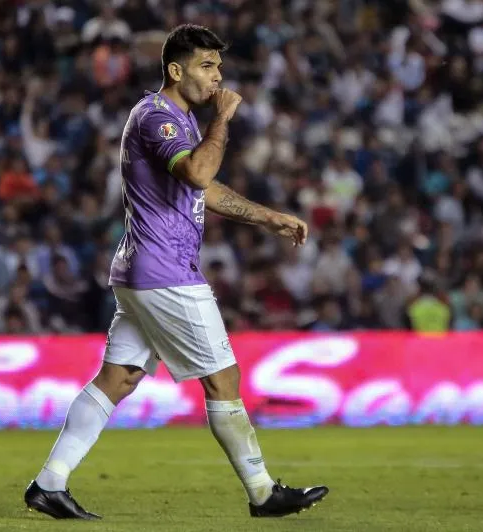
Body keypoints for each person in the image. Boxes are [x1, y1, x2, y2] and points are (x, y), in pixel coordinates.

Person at [24, 24, 328, 520]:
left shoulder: (179, 124)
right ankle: (263, 492)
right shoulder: (157, 117)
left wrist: (269, 217)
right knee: (222, 379)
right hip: (166, 273)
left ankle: (49, 483)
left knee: (118, 379)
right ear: (176, 69)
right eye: (208, 66)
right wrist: (223, 119)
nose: (217, 78)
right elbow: (199, 174)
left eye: (219, 68)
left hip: (144, 270)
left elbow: (203, 190)